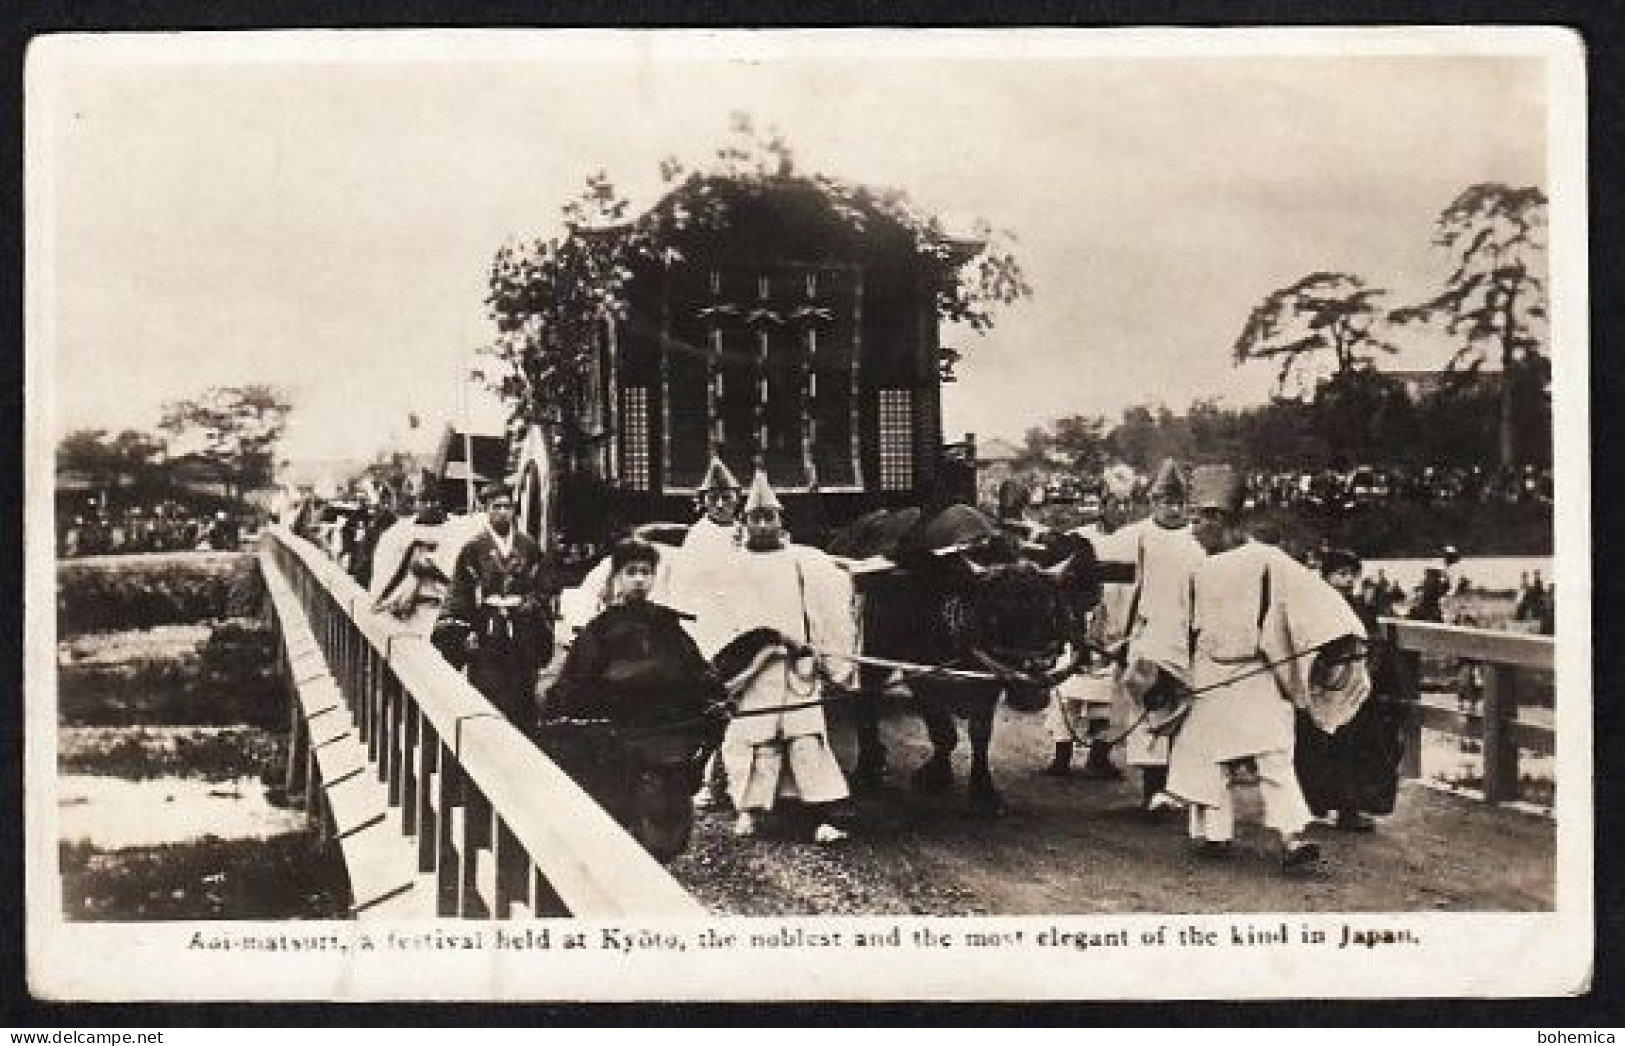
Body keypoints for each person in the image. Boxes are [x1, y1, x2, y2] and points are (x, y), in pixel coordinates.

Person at [1160, 465, 1370, 870]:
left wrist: (1340, 635)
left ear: (1218, 518)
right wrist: (1169, 669)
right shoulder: (1191, 566)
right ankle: (1212, 834)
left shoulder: (1268, 560)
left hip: (1257, 672)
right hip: (1206, 671)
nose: (1193, 530)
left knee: (1274, 755)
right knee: (1206, 758)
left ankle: (1293, 838)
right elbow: (1175, 621)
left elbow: (1316, 599)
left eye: (1198, 520)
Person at [540, 539, 727, 860]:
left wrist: (711, 700)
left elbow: (696, 672)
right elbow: (576, 683)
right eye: (631, 572)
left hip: (667, 734)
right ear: (616, 578)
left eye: (646, 572)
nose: (639, 579)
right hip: (619, 738)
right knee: (617, 812)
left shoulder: (669, 627)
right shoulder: (600, 630)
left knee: (667, 817)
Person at [707, 471, 858, 844]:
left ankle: (821, 815)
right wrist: (741, 657)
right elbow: (722, 617)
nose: (762, 525)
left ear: (780, 520)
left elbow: (827, 606)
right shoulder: (730, 568)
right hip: (753, 669)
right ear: (743, 522)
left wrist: (823, 652)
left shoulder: (803, 561)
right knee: (757, 739)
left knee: (805, 738)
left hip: (796, 667)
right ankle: (750, 810)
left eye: (768, 517)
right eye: (755, 518)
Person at [1096, 459, 1206, 807]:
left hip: (1190, 634)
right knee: (1149, 707)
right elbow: (1109, 582)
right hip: (1147, 634)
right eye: (1165, 502)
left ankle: (1181, 786)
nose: (1173, 509)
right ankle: (1152, 788)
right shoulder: (1135, 537)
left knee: (1187, 710)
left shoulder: (1198, 539)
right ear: (1153, 502)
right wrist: (1113, 631)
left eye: (1178, 503)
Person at [1293, 548, 1406, 832]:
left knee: (1354, 748)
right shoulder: (1312, 606)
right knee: (1314, 745)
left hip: (1353, 688)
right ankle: (1312, 804)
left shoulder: (1361, 609)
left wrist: (1369, 669)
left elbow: (1374, 644)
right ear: (1326, 577)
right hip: (1320, 686)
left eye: (1350, 575)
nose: (1346, 581)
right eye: (1339, 574)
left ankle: (1349, 809)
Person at [433, 482, 554, 731]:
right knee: (488, 689)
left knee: (524, 687)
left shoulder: (527, 545)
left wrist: (531, 602)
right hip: (487, 626)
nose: (502, 512)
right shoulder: (473, 548)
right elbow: (461, 591)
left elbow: (544, 584)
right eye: (496, 507)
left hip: (523, 626)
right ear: (485, 509)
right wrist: (463, 631)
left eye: (507, 507)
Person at [1044, 491, 1132, 779]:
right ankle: (1061, 756)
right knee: (1067, 688)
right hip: (1078, 619)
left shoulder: (1134, 539)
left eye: (1126, 503)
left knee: (1107, 694)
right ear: (1103, 506)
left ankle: (1099, 755)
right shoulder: (1077, 538)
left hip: (1117, 622)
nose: (1121, 509)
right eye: (1116, 503)